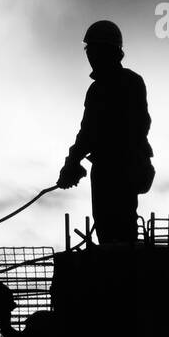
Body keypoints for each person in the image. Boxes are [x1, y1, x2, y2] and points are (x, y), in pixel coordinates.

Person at [56, 20, 154, 244]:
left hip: (120, 170)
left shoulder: (125, 84)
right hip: (111, 169)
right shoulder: (101, 88)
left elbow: (136, 126)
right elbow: (87, 133)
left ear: (109, 52)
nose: (90, 55)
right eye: (88, 50)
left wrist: (74, 162)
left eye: (93, 50)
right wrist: (72, 163)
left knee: (118, 235)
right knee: (110, 233)